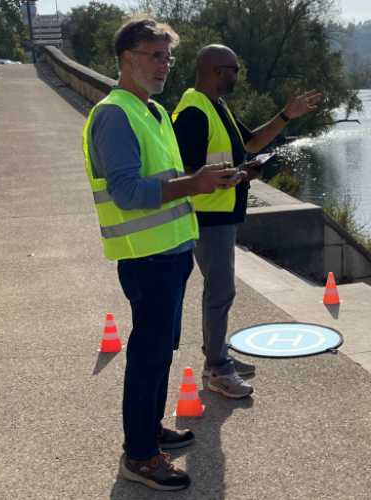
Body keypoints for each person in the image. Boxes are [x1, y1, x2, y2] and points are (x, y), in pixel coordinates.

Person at [82, 18, 242, 491]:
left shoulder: (150, 111)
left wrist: (206, 180)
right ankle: (140, 456)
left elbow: (170, 179)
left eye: (168, 58)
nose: (164, 66)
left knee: (161, 350)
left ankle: (148, 432)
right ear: (128, 58)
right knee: (149, 356)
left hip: (171, 252)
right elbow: (127, 191)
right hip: (146, 257)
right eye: (155, 56)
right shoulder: (115, 114)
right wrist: (194, 185)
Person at [172, 45, 321, 398]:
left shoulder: (215, 106)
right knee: (221, 290)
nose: (239, 75)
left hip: (222, 213)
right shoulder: (194, 111)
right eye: (236, 69)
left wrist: (286, 115)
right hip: (209, 216)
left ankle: (217, 355)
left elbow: (251, 142)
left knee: (220, 289)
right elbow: (188, 171)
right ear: (218, 71)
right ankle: (218, 368)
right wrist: (236, 175)